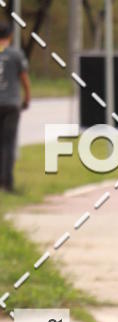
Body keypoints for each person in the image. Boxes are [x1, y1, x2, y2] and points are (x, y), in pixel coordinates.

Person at [0, 19, 30, 193]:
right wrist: (27, 99)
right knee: (8, 143)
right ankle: (7, 183)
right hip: (11, 104)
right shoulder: (16, 54)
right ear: (10, 36)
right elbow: (24, 79)